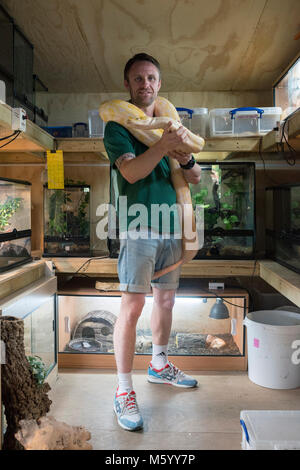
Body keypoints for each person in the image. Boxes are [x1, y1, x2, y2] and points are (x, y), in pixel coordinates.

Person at [103, 53, 202, 432]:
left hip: (172, 226)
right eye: (138, 79)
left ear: (159, 85)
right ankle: (123, 389)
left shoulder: (170, 125)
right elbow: (130, 172)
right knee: (132, 307)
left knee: (166, 298)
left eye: (151, 78)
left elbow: (193, 177)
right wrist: (164, 145)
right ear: (127, 85)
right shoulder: (118, 125)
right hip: (138, 226)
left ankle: (159, 364)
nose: (145, 84)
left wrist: (186, 154)